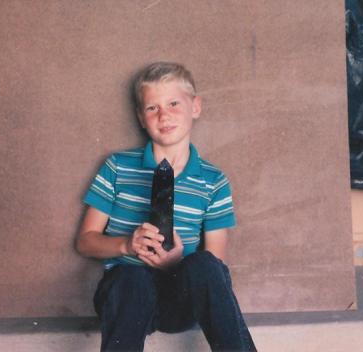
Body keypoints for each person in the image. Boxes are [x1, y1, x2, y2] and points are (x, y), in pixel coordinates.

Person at [75, 62, 256, 352]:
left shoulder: (214, 180)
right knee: (131, 278)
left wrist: (175, 262)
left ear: (195, 107)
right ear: (141, 117)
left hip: (180, 300)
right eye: (152, 108)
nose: (164, 115)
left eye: (173, 103)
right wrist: (125, 245)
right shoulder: (117, 167)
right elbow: (85, 242)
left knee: (206, 265)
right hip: (126, 300)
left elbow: (215, 264)